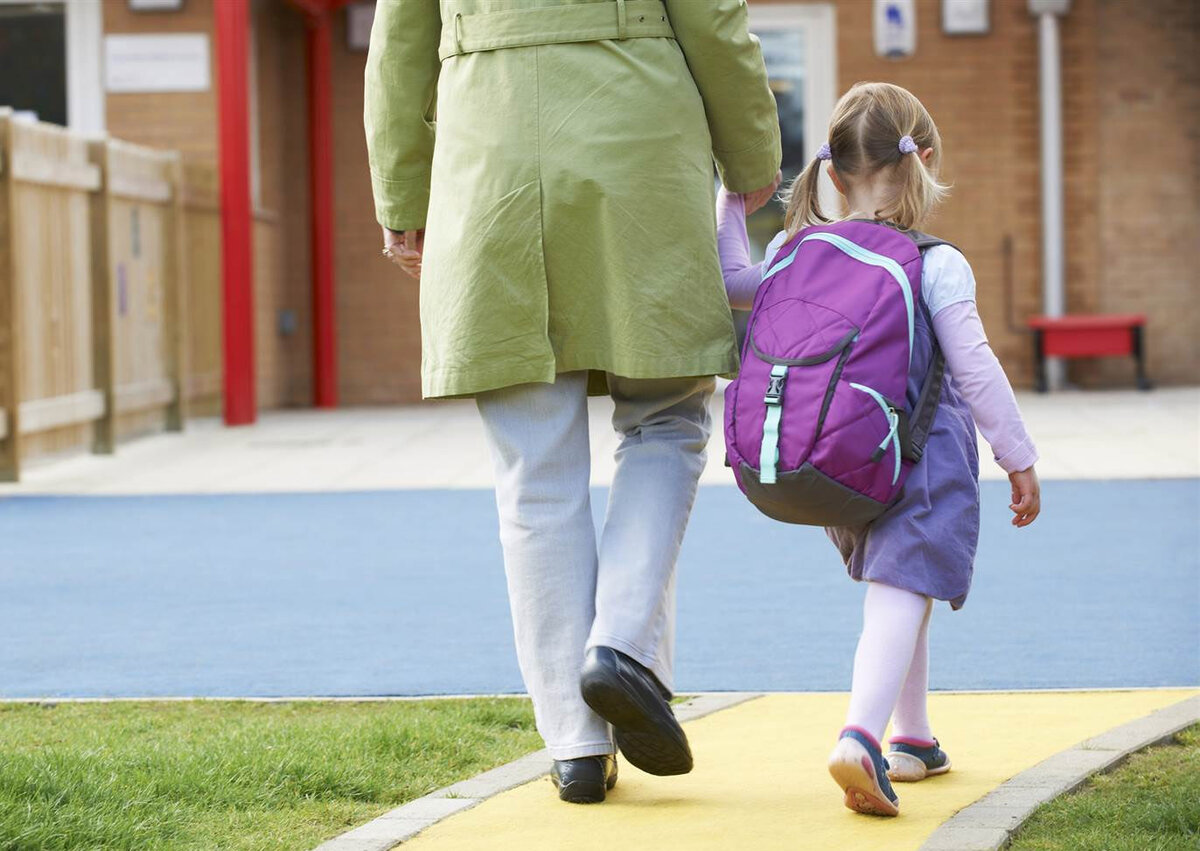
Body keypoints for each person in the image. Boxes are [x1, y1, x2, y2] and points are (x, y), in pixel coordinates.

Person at [364, 0, 781, 804]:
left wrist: (402, 195)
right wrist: (751, 149)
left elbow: (397, 48)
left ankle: (577, 743)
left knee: (533, 465)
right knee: (665, 418)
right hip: (635, 144)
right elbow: (713, 19)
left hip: (489, 155)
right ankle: (621, 645)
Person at [716, 82, 1042, 817]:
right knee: (903, 585)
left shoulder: (794, 248)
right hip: (920, 454)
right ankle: (860, 735)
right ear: (923, 161)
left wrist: (731, 204)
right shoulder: (934, 262)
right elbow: (975, 367)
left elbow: (733, 282)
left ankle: (912, 737)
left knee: (904, 583)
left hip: (841, 455)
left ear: (833, 173)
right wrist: (1016, 454)